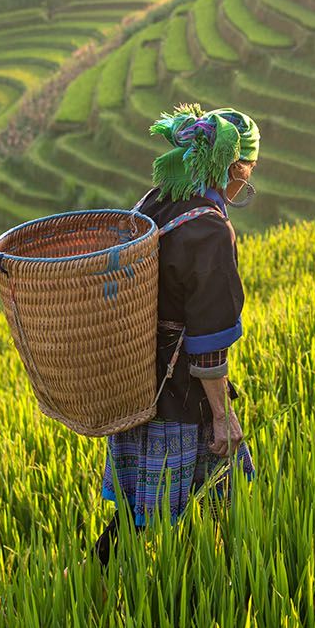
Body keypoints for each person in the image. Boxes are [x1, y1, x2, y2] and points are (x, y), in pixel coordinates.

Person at [94, 104, 260, 563]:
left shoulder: (156, 199)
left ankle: (110, 575)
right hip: (182, 396)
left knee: (140, 512)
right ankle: (218, 587)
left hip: (139, 379)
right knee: (212, 499)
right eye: (249, 169)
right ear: (235, 168)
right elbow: (208, 342)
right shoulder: (209, 229)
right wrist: (222, 414)